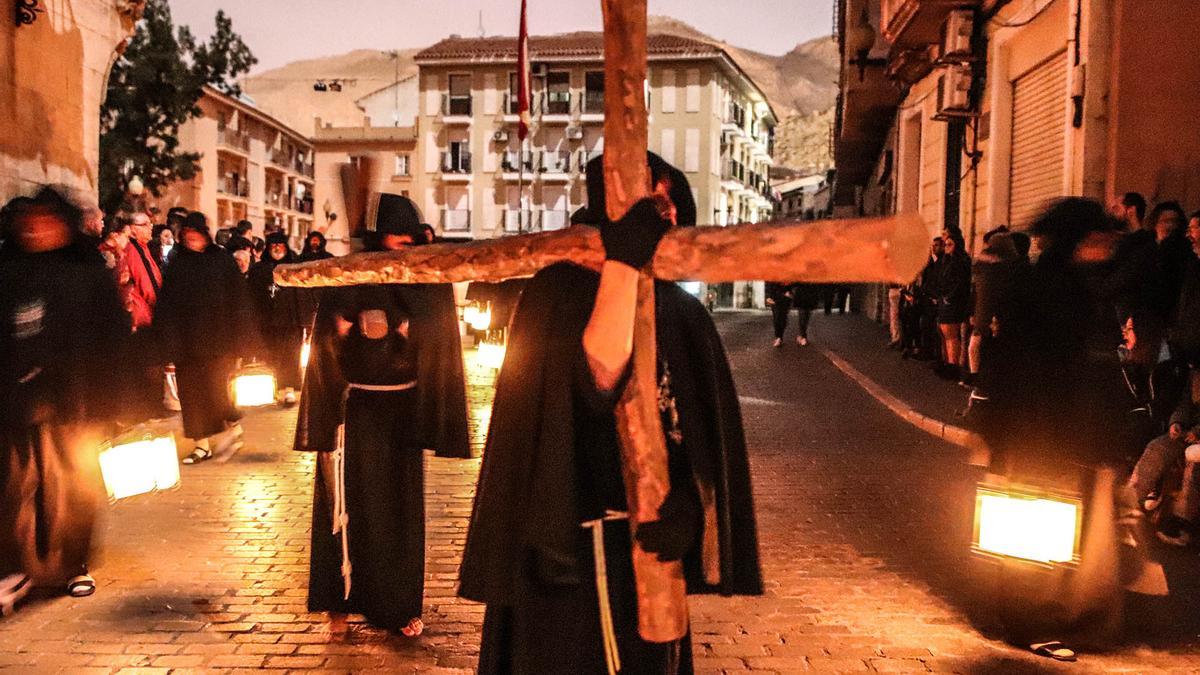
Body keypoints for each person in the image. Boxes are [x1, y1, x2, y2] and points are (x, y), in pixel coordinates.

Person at [460, 153, 762, 674]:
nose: (664, 217)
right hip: (566, 553)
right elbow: (595, 378)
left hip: (650, 550)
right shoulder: (556, 291)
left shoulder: (682, 310)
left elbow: (699, 432)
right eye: (653, 204)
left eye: (669, 204)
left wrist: (693, 501)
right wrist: (622, 265)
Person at [296, 193, 470, 636]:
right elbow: (328, 340)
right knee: (343, 504)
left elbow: (436, 330)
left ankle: (397, 606)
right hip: (355, 411)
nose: (405, 242)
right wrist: (346, 326)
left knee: (398, 511)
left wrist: (405, 329)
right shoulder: (350, 273)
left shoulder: (423, 272)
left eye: (410, 236)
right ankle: (340, 602)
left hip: (403, 411)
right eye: (396, 234)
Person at [978, 198, 1132, 661]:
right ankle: (1030, 623)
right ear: (1076, 241)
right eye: (1096, 240)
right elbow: (1018, 363)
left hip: (1064, 428)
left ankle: (1043, 616)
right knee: (1035, 523)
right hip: (1041, 428)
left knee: (1056, 524)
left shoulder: (1078, 285)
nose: (1103, 248)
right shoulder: (1045, 288)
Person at [0, 188, 132, 612]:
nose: (37, 230)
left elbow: (110, 336)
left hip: (75, 400)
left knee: (72, 485)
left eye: (47, 221)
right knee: (17, 486)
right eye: (30, 222)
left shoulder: (86, 270)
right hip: (18, 399)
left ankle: (72, 563)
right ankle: (17, 566)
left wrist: (116, 398)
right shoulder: (11, 269)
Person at [154, 212, 258, 465]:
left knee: (215, 392)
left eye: (195, 234)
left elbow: (238, 301)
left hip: (217, 342)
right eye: (187, 234)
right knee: (190, 397)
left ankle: (232, 428)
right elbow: (167, 304)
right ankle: (201, 445)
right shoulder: (178, 263)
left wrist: (242, 338)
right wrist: (163, 339)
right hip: (186, 344)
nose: (191, 239)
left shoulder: (220, 260)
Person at [248, 232, 306, 405]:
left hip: (291, 322)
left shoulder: (294, 268)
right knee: (272, 357)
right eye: (274, 245)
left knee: (291, 356)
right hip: (268, 322)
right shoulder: (258, 270)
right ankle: (276, 388)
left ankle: (289, 389)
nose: (277, 248)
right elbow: (252, 296)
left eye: (281, 245)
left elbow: (302, 295)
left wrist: (304, 320)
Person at [935, 231, 971, 380]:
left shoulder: (961, 261)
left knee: (951, 335)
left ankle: (953, 366)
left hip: (953, 302)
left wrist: (949, 297)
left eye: (950, 244)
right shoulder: (947, 261)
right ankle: (949, 364)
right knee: (945, 333)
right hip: (945, 300)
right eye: (946, 244)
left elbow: (960, 283)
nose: (947, 247)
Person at [122, 212, 162, 332]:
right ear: (133, 229)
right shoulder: (135, 250)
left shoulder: (142, 248)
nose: (150, 227)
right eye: (145, 224)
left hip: (142, 314)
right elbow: (147, 284)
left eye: (150, 224)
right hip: (140, 318)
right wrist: (161, 306)